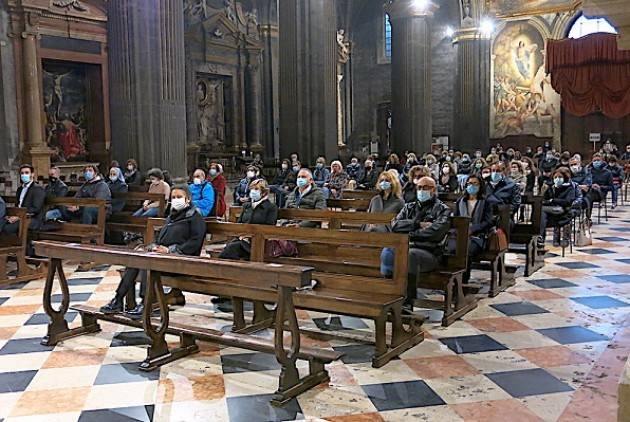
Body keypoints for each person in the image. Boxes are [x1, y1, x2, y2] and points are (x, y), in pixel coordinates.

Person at [100, 185, 206, 317]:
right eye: (173, 197)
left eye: (179, 197)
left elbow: (195, 242)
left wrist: (169, 250)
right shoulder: (172, 215)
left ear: (188, 199)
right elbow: (162, 237)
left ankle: (146, 303)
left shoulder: (195, 216)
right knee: (136, 259)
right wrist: (151, 246)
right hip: (164, 258)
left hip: (183, 261)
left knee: (148, 262)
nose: (176, 200)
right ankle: (118, 299)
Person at [381, 177, 451, 310]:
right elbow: (395, 225)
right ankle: (391, 296)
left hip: (429, 253)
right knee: (388, 251)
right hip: (406, 247)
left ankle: (408, 302)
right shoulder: (409, 207)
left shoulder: (443, 209)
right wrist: (416, 224)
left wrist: (410, 234)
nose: (421, 190)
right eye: (419, 187)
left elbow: (435, 233)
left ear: (434, 190)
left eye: (425, 187)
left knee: (410, 255)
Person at [219, 179, 278, 260]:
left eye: (256, 189)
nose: (253, 191)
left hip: (258, 242)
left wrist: (249, 235)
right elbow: (239, 223)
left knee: (232, 249)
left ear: (264, 192)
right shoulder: (247, 206)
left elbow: (269, 227)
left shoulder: (271, 207)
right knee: (230, 248)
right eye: (252, 189)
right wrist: (242, 235)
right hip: (242, 239)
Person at [453, 175, 496, 281]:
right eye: (469, 183)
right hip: (461, 235)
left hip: (478, 236)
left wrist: (473, 229)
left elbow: (488, 222)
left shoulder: (486, 202)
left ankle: (463, 280)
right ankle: (453, 278)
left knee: (466, 250)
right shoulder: (461, 201)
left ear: (480, 186)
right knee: (451, 249)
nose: (471, 186)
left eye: (474, 183)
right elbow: (455, 219)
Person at [539, 168, 580, 247]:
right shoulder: (551, 187)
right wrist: (543, 191)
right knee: (541, 212)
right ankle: (541, 236)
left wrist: (553, 200)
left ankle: (541, 236)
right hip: (551, 209)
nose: (557, 179)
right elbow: (544, 200)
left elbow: (568, 201)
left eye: (560, 177)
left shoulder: (570, 187)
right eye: (555, 177)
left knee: (542, 210)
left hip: (564, 209)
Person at [2, 164, 46, 234]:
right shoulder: (19, 189)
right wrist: (11, 215)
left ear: (32, 174)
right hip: (20, 216)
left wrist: (19, 216)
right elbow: (18, 206)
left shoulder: (38, 189)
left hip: (32, 219)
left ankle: (17, 244)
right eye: (22, 173)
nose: (24, 175)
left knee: (7, 229)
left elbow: (35, 209)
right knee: (2, 222)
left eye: (26, 173)